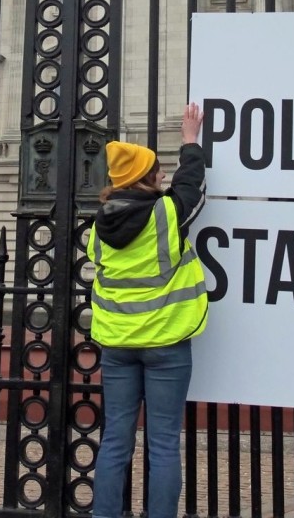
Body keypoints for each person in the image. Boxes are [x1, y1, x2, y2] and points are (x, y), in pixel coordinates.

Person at [89, 103, 207, 518]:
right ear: (146, 178)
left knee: (115, 440)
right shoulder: (166, 214)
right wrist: (190, 142)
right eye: (157, 170)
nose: (163, 176)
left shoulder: (98, 227)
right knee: (162, 443)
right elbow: (191, 188)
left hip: (117, 344)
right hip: (165, 343)